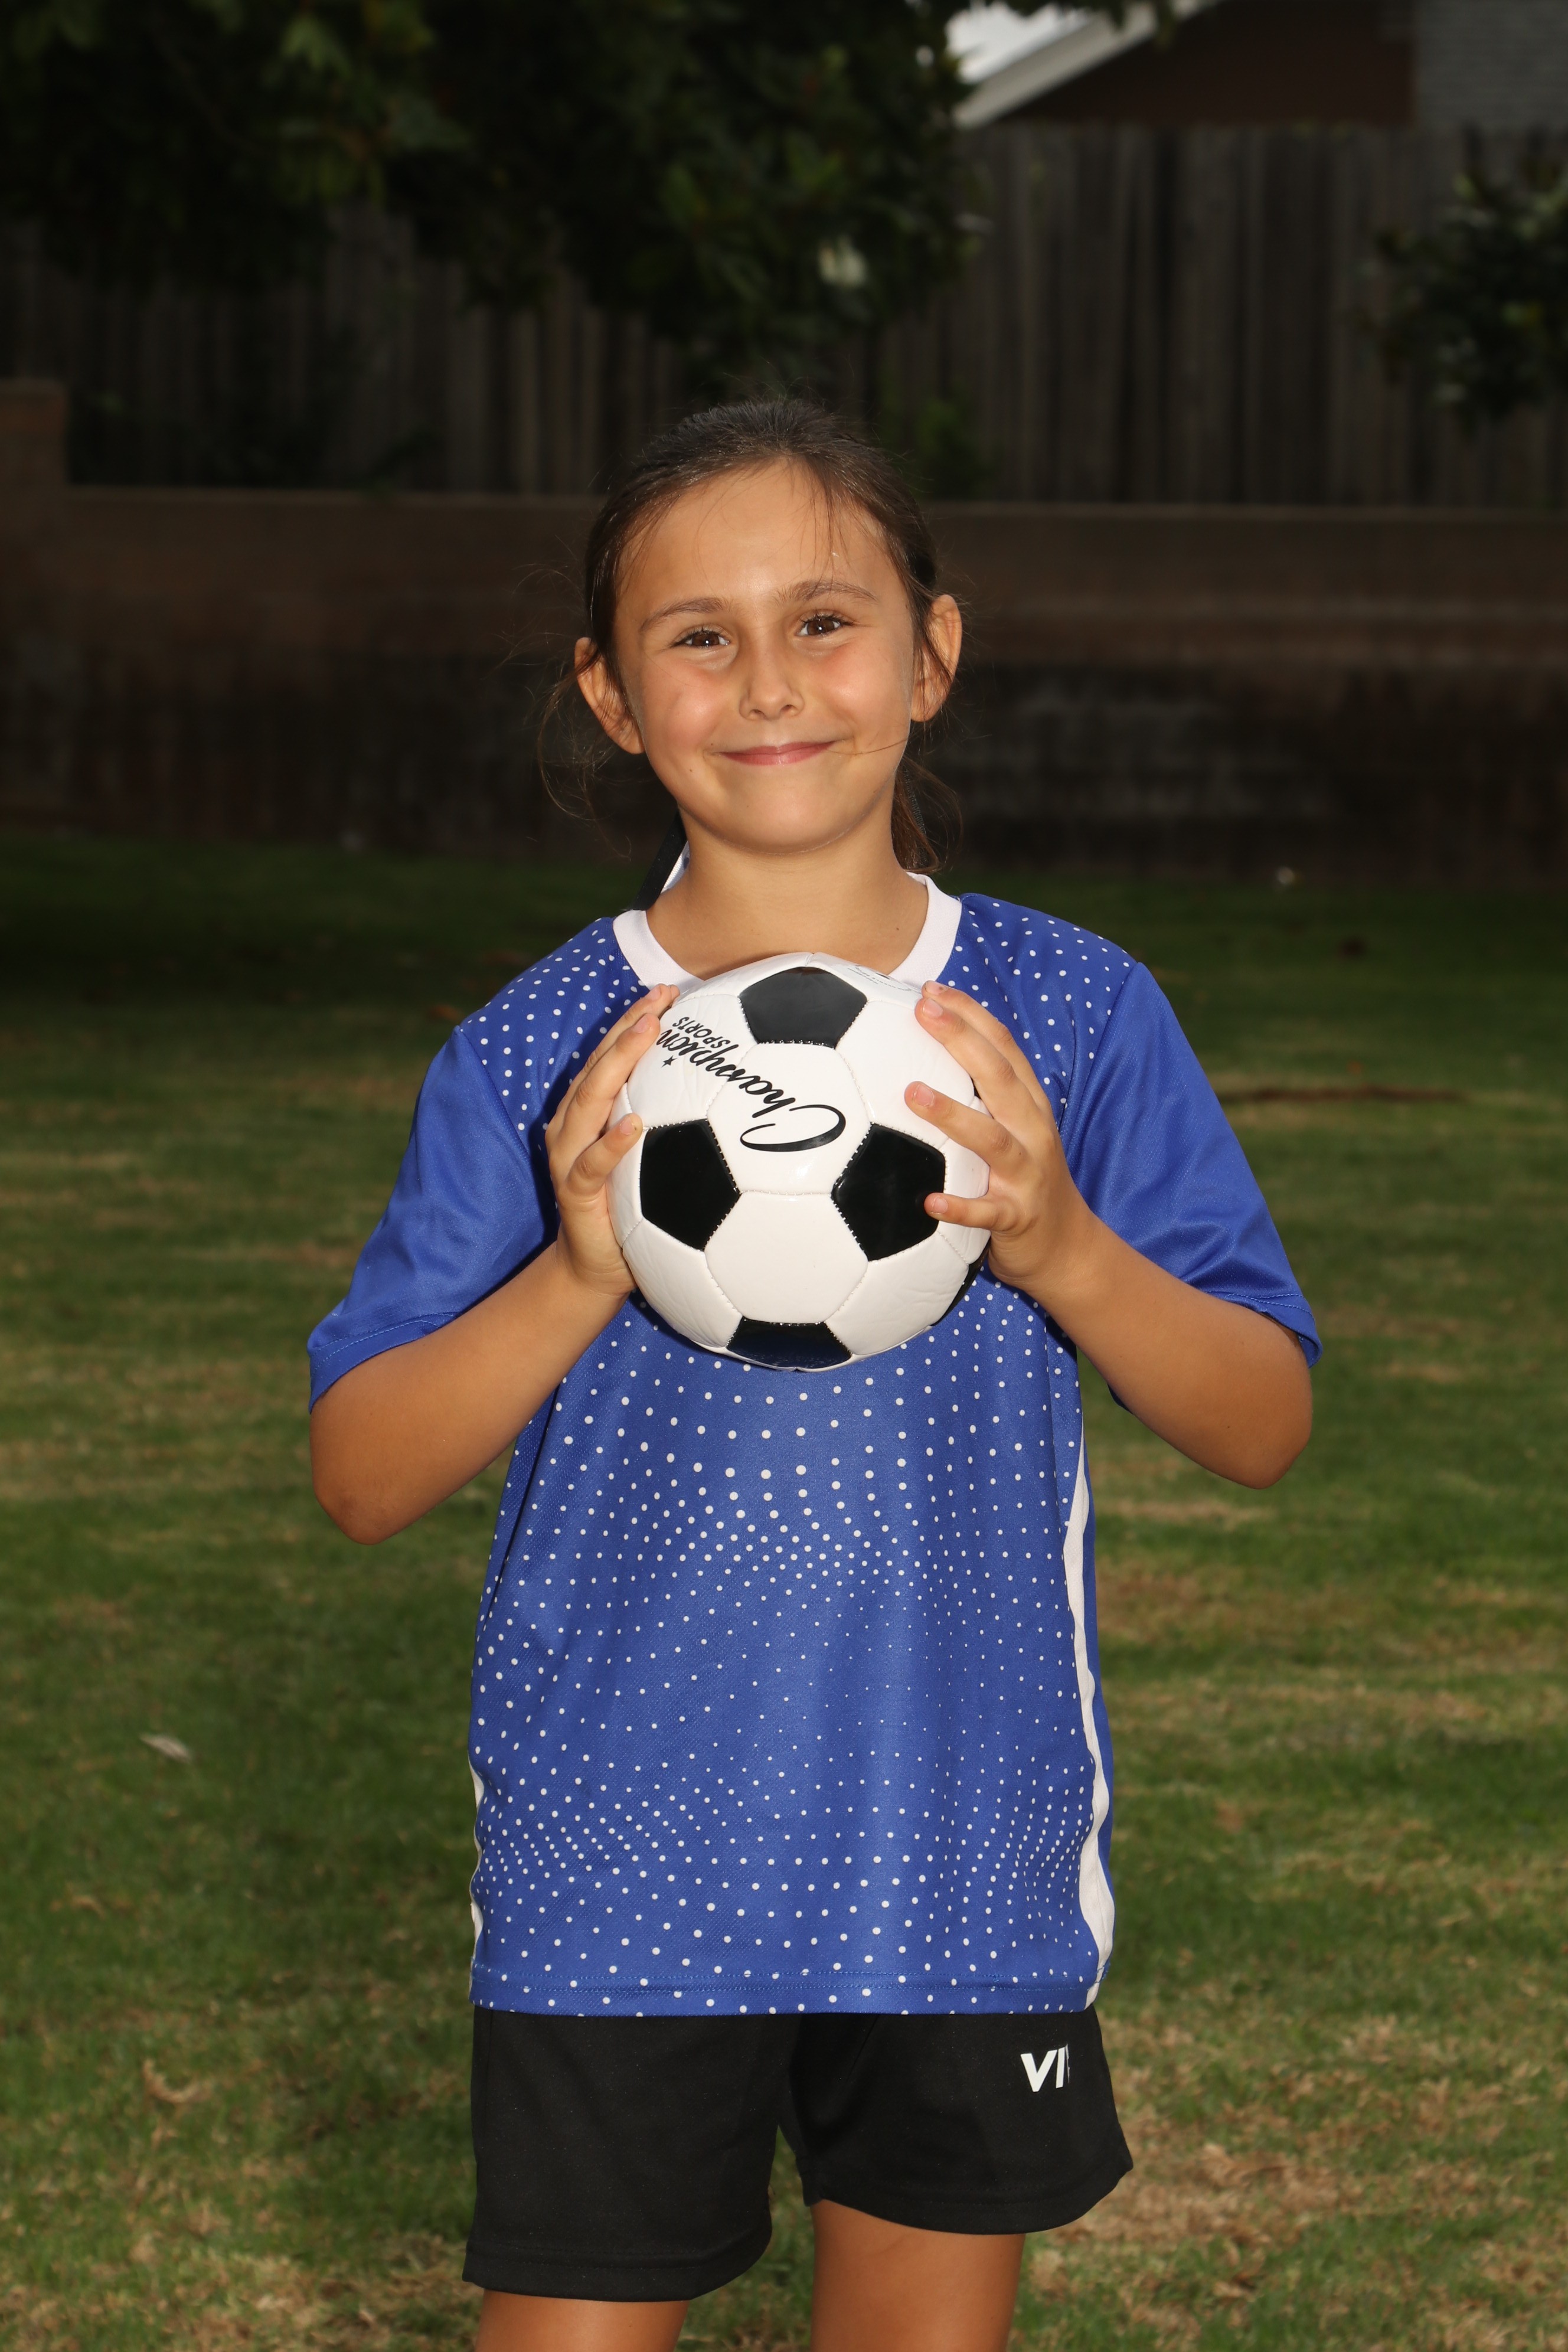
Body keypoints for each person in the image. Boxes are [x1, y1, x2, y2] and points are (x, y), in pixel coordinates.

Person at [308, 399, 1318, 2352]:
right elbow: (361, 1471)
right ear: (612, 696)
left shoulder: (1071, 1017)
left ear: (934, 652)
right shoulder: (539, 1052)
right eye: (699, 636)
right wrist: (581, 1270)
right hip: (617, 1872)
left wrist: (1063, 1246)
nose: (768, 682)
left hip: (955, 1859)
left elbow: (1262, 1419)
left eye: (825, 621)